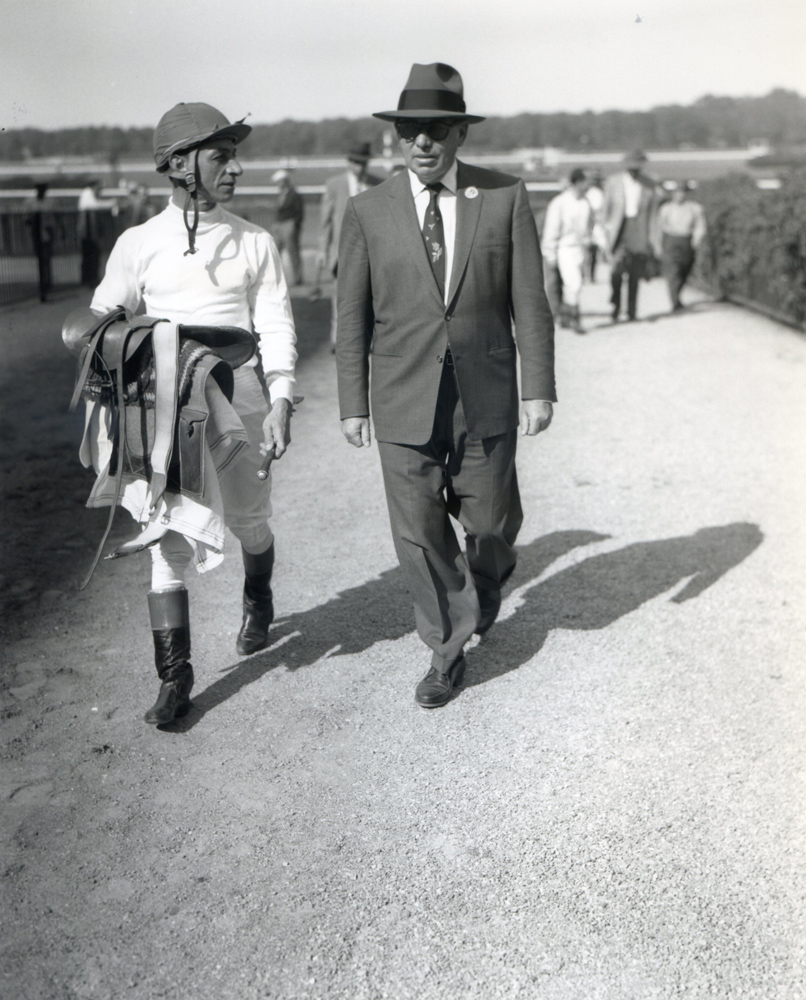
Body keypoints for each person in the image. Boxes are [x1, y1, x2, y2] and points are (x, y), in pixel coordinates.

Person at [62, 103, 297, 726]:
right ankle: (175, 678)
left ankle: (258, 595)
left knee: (251, 522)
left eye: (233, 155)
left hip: (239, 400)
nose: (236, 168)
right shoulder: (137, 244)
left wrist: (280, 400)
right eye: (222, 156)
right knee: (164, 539)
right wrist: (128, 340)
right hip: (162, 412)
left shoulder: (255, 240)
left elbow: (274, 324)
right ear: (178, 166)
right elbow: (96, 324)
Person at [336, 62, 555, 709]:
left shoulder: (504, 197)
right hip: (402, 401)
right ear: (396, 138)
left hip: (484, 396)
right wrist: (353, 402)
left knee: (490, 523)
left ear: (460, 133)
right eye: (410, 131)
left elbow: (530, 301)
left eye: (435, 129)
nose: (421, 143)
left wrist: (537, 386)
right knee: (420, 537)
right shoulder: (366, 212)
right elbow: (349, 316)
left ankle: (487, 581)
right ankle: (445, 650)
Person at [320, 142, 383, 347]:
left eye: (363, 163)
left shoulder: (379, 184)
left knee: (372, 298)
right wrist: (323, 251)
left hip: (372, 254)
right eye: (356, 163)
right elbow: (325, 222)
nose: (360, 167)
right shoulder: (334, 184)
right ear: (349, 162)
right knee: (341, 298)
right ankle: (337, 339)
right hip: (341, 254)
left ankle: (369, 339)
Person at [602, 150, 659, 322]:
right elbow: (606, 211)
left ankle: (632, 311)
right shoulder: (613, 182)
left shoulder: (649, 184)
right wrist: (604, 235)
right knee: (616, 272)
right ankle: (616, 306)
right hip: (619, 230)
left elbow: (653, 214)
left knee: (635, 273)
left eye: (638, 168)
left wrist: (652, 240)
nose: (634, 171)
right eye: (631, 168)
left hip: (639, 230)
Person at [540, 168, 593, 334]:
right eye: (585, 182)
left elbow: (590, 227)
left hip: (579, 249)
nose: (588, 185)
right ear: (577, 183)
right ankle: (574, 318)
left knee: (575, 285)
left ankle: (566, 317)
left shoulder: (585, 203)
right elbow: (552, 229)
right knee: (573, 283)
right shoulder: (560, 202)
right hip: (564, 247)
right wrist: (550, 252)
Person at [658, 180, 707, 312]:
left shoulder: (694, 208)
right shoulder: (666, 209)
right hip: (671, 240)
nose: (680, 195)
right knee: (673, 272)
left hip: (687, 241)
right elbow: (659, 227)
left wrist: (696, 240)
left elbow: (700, 227)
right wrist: (659, 244)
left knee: (685, 270)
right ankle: (674, 301)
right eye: (677, 192)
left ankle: (677, 296)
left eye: (683, 192)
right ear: (673, 194)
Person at [77, 179, 119, 287]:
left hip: (91, 232)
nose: (99, 191)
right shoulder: (87, 194)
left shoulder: (91, 195)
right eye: (98, 188)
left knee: (92, 255)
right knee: (89, 256)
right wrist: (111, 203)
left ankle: (91, 279)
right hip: (87, 232)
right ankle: (89, 280)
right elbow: (94, 205)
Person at [272, 169, 304, 285]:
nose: (279, 184)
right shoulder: (281, 194)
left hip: (289, 224)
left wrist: (295, 226)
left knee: (293, 252)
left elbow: (299, 212)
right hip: (280, 224)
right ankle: (274, 277)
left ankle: (297, 278)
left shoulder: (294, 195)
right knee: (275, 251)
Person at [27, 182, 56, 302]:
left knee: (45, 260)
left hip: (46, 235)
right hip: (38, 235)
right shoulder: (31, 202)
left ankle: (45, 286)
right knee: (42, 261)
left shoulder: (49, 203)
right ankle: (44, 287)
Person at [584, 170, 605, 282]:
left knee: (590, 252)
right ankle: (590, 275)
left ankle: (588, 275)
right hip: (594, 224)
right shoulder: (596, 193)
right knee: (592, 252)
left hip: (591, 224)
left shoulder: (589, 193)